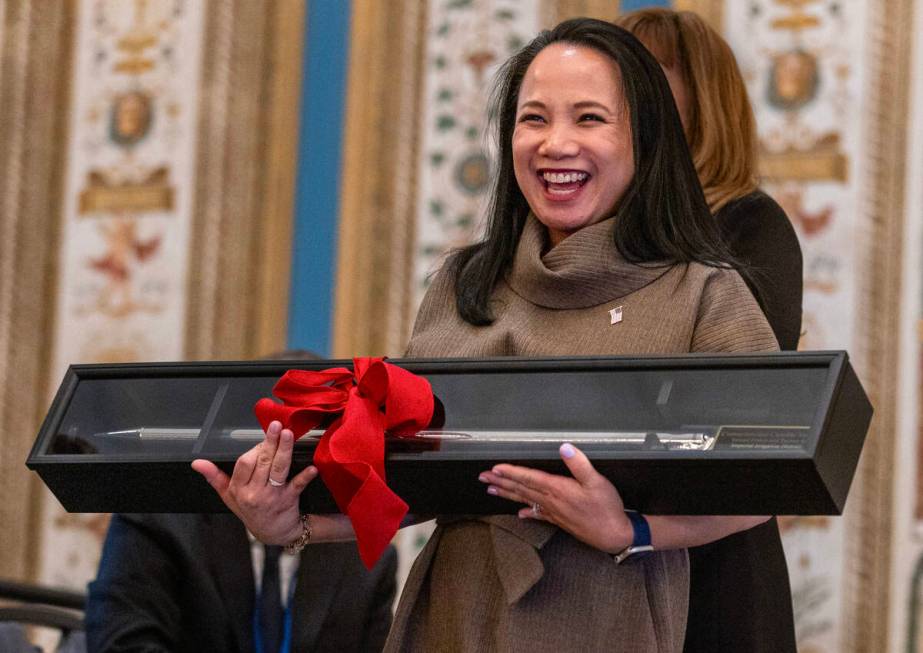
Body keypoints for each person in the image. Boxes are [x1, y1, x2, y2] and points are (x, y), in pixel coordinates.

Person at [193, 18, 780, 652]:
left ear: (645, 140)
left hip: (608, 614)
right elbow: (409, 486)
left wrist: (630, 530)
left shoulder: (701, 291)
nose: (555, 144)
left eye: (588, 119)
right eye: (534, 119)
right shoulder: (463, 280)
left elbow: (771, 481)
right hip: (453, 611)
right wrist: (288, 524)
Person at [616, 9, 802, 652]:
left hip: (712, 570)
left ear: (704, 102)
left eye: (645, 73)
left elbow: (744, 412)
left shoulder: (752, 225)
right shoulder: (587, 231)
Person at [86, 347, 399, 652]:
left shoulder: (365, 550)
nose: (286, 465)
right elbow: (122, 643)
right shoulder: (156, 518)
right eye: (275, 444)